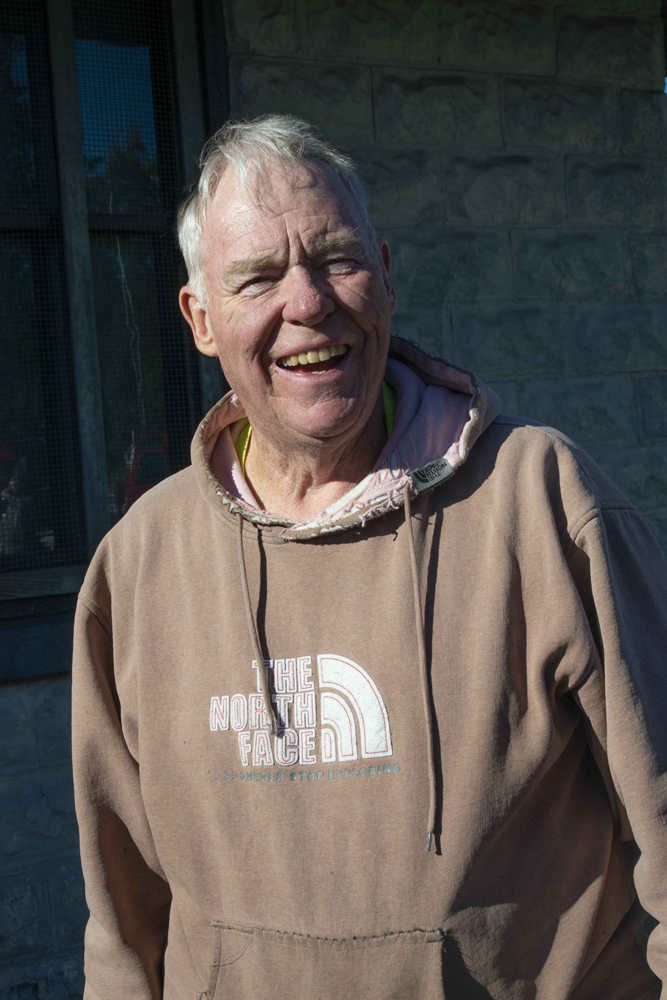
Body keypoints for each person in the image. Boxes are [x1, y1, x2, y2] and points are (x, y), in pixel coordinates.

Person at [72, 115, 667, 1000]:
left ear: (385, 274)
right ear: (200, 319)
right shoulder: (138, 563)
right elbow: (125, 925)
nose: (307, 303)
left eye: (337, 259)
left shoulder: (544, 502)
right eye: (258, 277)